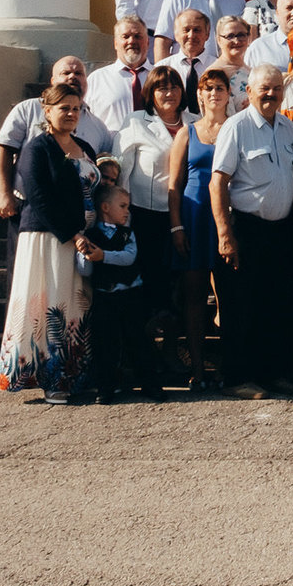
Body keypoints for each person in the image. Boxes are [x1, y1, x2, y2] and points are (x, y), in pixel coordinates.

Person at [0, 84, 100, 400]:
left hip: (82, 239)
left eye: (75, 108)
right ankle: (50, 381)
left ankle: (71, 377)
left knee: (75, 307)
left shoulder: (84, 147)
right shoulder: (37, 148)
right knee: (50, 306)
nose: (70, 114)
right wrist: (72, 233)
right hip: (47, 237)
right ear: (47, 111)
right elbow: (38, 197)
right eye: (64, 108)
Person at [210, 65, 293, 398]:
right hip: (246, 229)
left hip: (281, 232)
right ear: (249, 92)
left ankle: (271, 374)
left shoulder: (288, 128)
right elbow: (218, 182)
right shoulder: (235, 128)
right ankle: (237, 378)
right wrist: (225, 234)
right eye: (264, 89)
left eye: (277, 88)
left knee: (276, 305)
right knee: (241, 306)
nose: (271, 94)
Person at [115, 69, 188, 378]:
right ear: (150, 93)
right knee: (148, 291)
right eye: (161, 88)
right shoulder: (135, 123)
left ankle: (172, 354)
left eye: (174, 87)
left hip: (186, 217)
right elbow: (121, 174)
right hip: (145, 219)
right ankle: (142, 360)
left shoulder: (194, 121)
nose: (168, 93)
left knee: (179, 292)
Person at [165, 67, 234, 390]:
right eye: (208, 88)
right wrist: (176, 226)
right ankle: (197, 367)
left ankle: (225, 366)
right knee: (194, 297)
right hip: (193, 217)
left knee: (227, 297)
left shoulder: (236, 128)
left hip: (226, 220)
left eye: (220, 87)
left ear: (229, 94)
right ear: (200, 95)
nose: (214, 93)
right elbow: (174, 185)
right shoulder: (186, 133)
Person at [70, 182, 149, 403]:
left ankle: (149, 383)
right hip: (105, 296)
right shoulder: (91, 235)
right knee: (105, 344)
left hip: (130, 294)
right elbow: (85, 270)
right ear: (105, 207)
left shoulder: (127, 234)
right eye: (123, 206)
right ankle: (105, 387)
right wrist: (84, 254)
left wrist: (103, 255)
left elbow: (129, 257)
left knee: (138, 339)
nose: (127, 211)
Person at [82, 16, 153, 136]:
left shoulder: (162, 78)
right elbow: (85, 121)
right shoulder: (97, 79)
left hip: (155, 150)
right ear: (115, 43)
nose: (131, 41)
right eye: (125, 36)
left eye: (137, 36)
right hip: (112, 150)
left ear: (147, 42)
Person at [149, 6, 215, 110]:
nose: (191, 35)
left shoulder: (217, 67)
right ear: (176, 34)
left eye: (197, 30)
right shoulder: (161, 68)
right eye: (186, 30)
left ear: (207, 34)